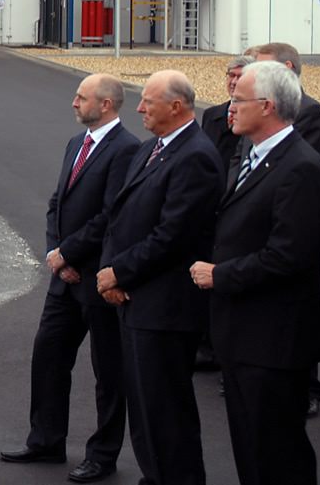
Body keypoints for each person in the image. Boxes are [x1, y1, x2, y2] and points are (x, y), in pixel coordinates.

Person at [190, 59, 320, 485]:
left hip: (274, 340)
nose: (229, 107)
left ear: (267, 106)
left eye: (238, 100)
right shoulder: (251, 156)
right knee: (250, 448)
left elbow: (288, 256)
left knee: (277, 454)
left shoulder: (300, 167)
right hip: (243, 334)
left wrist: (220, 275)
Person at [1, 74, 139, 483]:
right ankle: (46, 440)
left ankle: (103, 455)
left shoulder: (126, 149)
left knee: (108, 372)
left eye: (82, 97)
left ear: (106, 104)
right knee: (48, 357)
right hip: (65, 277)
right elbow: (56, 203)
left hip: (99, 279)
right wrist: (55, 255)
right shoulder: (76, 143)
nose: (74, 103)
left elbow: (111, 216)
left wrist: (69, 253)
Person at [96, 70, 221, 485]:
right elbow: (120, 217)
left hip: (166, 308)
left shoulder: (196, 156)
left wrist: (119, 272)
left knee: (167, 413)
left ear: (176, 106)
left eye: (147, 102)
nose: (139, 109)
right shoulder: (152, 148)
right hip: (137, 300)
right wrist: (112, 274)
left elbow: (173, 236)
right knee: (145, 410)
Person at [252, 41, 320, 416]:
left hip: (291, 221)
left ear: (285, 68)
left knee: (298, 310)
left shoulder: (309, 112)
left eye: (261, 68)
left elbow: (298, 168)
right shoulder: (254, 113)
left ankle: (308, 387)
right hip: (259, 224)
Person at [199, 55, 252, 174]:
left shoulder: (256, 119)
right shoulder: (211, 115)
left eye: (240, 76)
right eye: (231, 75)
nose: (234, 82)